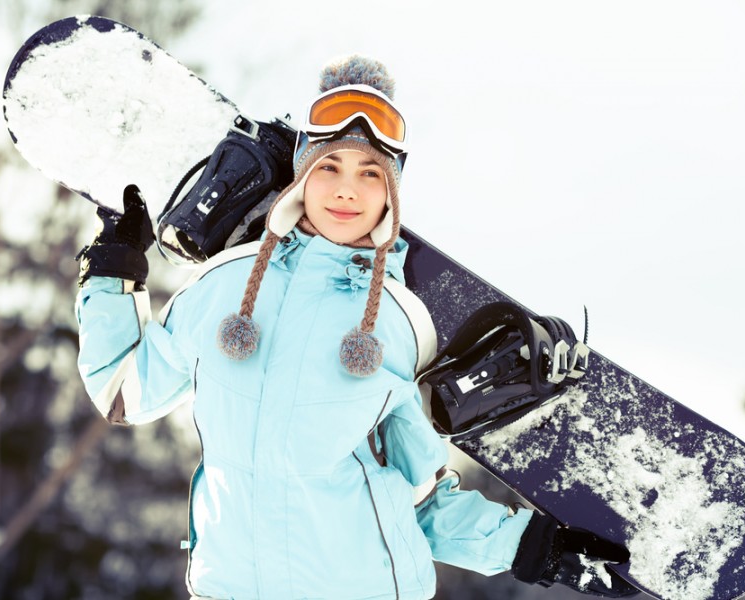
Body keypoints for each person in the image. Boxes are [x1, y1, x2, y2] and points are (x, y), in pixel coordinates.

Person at [74, 56, 637, 599]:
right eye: (330, 168)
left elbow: (421, 504)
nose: (348, 190)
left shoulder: (402, 324)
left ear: (391, 193)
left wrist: (536, 548)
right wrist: (111, 269)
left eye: (371, 174)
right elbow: (125, 391)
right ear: (302, 176)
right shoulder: (220, 287)